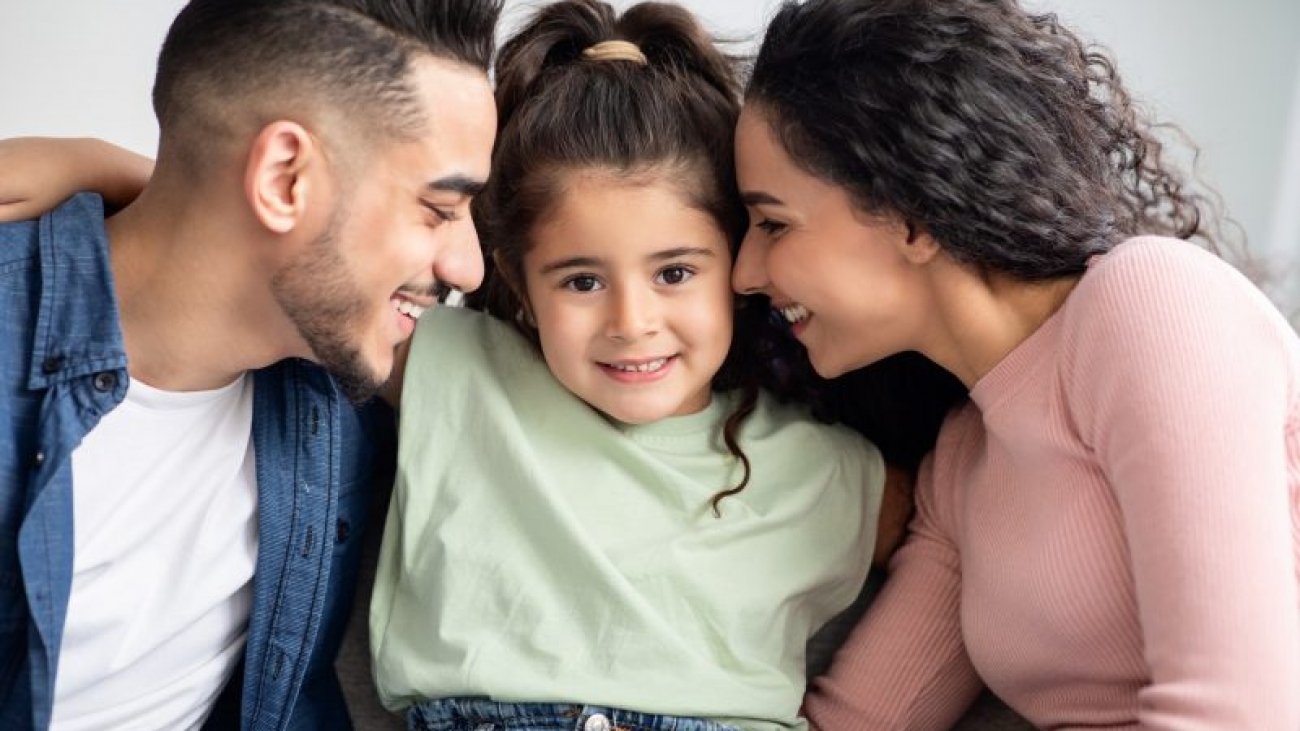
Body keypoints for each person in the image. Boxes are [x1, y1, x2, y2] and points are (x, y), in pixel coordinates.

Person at [729, 0, 1300, 729]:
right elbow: (855, 720)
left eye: (774, 222)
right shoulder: (967, 459)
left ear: (910, 216)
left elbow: (1237, 714)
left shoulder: (1149, 305)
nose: (745, 271)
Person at [366, 2, 907, 730]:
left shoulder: (829, 469)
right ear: (520, 285)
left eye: (675, 273)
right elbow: (270, 260)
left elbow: (980, 525)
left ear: (740, 266)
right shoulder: (456, 366)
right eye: (582, 281)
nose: (632, 323)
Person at [0, 0, 499, 728]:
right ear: (284, 178)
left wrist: (119, 171)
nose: (469, 267)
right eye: (437, 208)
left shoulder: (341, 371)